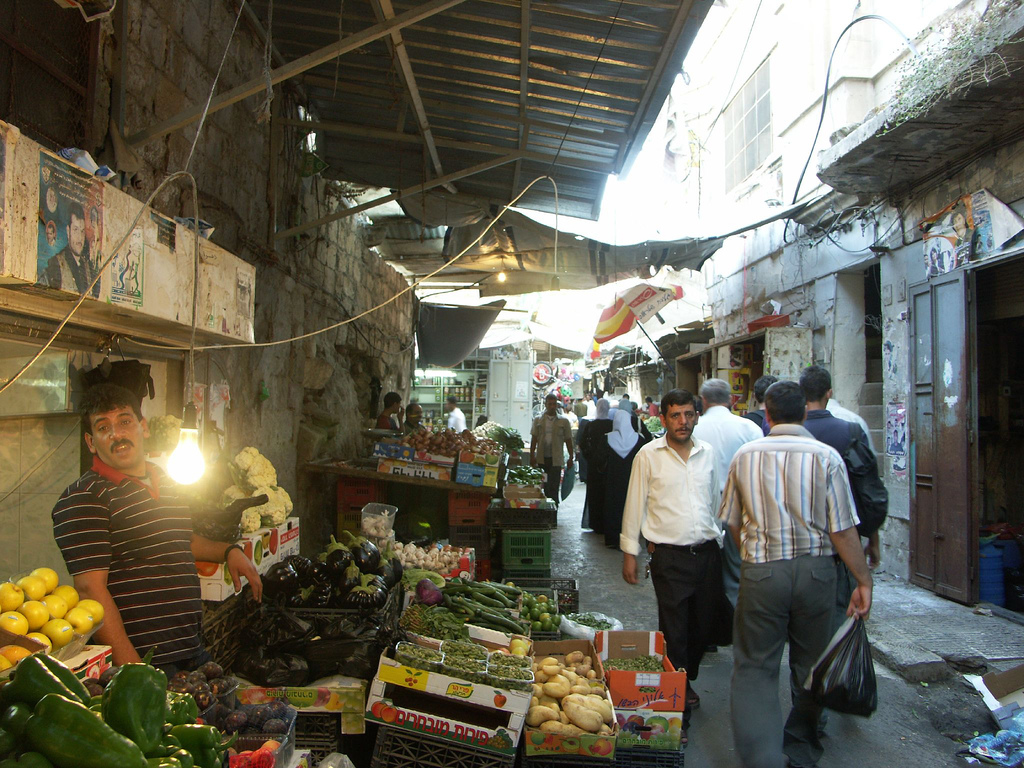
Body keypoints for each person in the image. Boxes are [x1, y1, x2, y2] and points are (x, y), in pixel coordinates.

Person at [51, 384, 263, 671]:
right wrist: (135, 670)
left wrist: (228, 551)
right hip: (144, 660)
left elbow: (180, 540)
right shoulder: (84, 497)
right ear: (91, 442)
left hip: (190, 647)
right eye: (104, 428)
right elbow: (90, 590)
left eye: (124, 422)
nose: (117, 435)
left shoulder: (165, 478)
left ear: (143, 427)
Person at [719, 380, 872, 768]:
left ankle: (761, 758)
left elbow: (732, 523)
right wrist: (862, 580)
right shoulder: (826, 457)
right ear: (805, 411)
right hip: (817, 574)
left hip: (762, 572)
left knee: (755, 666)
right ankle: (801, 748)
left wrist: (752, 556)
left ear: (766, 414)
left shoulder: (745, 456)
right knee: (811, 664)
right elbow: (842, 529)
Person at [621, 389, 724, 743]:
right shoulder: (648, 456)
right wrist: (629, 551)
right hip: (669, 558)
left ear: (697, 416)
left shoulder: (708, 453)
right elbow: (634, 503)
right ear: (663, 419)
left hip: (708, 554)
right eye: (676, 415)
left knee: (703, 628)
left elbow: (718, 498)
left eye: (689, 414)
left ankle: (686, 677)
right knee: (675, 630)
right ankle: (678, 712)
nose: (683, 421)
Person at [800, 365, 887, 573]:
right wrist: (872, 538)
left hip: (799, 534)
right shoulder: (852, 427)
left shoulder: (786, 433)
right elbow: (867, 485)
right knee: (842, 599)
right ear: (829, 393)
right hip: (846, 533)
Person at [693, 378, 764, 608]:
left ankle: (710, 624)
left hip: (703, 505)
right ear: (731, 400)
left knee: (704, 565)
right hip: (741, 506)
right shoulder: (749, 428)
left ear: (703, 401)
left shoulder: (694, 429)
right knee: (738, 565)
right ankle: (736, 618)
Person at [603, 409, 650, 548]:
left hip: (612, 481)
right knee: (631, 507)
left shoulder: (607, 438)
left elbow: (600, 459)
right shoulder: (639, 439)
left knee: (614, 508)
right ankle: (631, 537)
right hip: (632, 480)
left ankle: (613, 538)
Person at [42, 202, 100, 298]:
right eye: (75, 230)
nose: (79, 237)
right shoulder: (56, 264)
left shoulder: (88, 267)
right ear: (68, 231)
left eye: (82, 231)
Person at [530, 393, 575, 506]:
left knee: (554, 486)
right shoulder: (538, 420)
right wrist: (532, 456)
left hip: (556, 460)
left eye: (554, 404)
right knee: (543, 485)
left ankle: (554, 511)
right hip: (542, 459)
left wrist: (571, 457)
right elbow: (534, 439)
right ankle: (545, 509)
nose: (552, 406)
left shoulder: (563, 422)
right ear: (545, 404)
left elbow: (568, 440)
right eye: (550, 404)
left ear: (557, 405)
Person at [578, 398, 613, 532]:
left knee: (594, 494)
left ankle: (595, 523)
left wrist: (590, 458)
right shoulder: (612, 424)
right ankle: (606, 523)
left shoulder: (591, 425)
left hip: (594, 467)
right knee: (606, 494)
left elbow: (582, 444)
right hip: (608, 467)